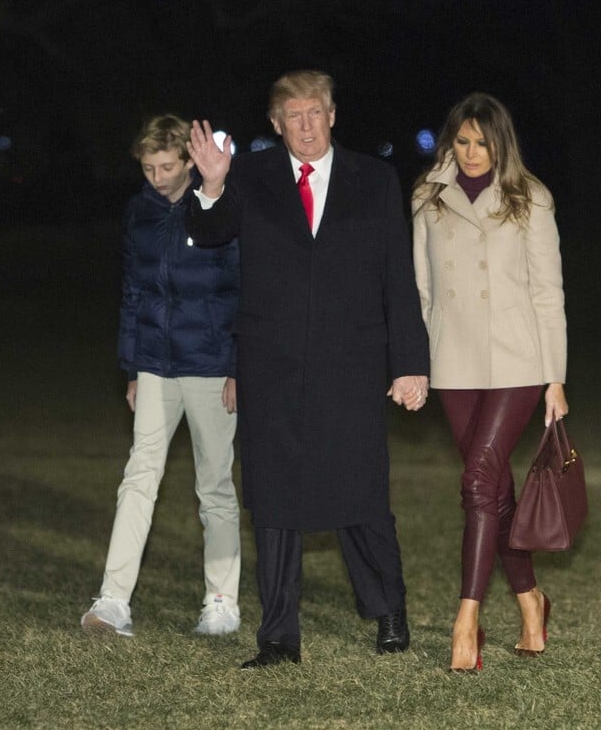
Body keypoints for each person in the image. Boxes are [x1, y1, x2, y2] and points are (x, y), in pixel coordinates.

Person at [186, 70, 430, 668]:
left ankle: (389, 612)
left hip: (352, 364)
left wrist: (410, 364)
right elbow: (210, 234)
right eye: (292, 115)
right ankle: (278, 636)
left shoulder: (373, 179)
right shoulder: (251, 177)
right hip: (271, 366)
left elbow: (398, 278)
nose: (305, 125)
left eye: (315, 112)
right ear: (275, 123)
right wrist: (212, 187)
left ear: (332, 115)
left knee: (360, 491)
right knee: (274, 501)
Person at [411, 92, 569, 671]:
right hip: (455, 362)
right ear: (449, 142)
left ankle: (466, 621)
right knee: (494, 492)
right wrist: (417, 363)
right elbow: (422, 292)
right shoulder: (428, 200)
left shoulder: (531, 198)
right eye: (461, 140)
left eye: (482, 141)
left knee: (478, 477)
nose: (472, 152)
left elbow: (547, 293)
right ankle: (531, 600)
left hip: (517, 362)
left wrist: (555, 377)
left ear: (501, 142)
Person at [81, 114, 242, 638]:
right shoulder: (139, 212)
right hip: (154, 362)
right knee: (138, 476)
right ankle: (112, 601)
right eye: (148, 167)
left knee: (214, 485)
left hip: (212, 363)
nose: (157, 176)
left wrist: (239, 366)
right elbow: (133, 292)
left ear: (190, 160)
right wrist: (132, 368)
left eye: (166, 166)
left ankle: (221, 601)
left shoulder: (220, 208)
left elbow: (244, 290)